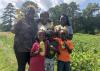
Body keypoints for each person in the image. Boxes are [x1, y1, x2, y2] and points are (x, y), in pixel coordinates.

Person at [11, 6, 38, 71]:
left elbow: (36, 34)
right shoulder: (20, 20)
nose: (31, 14)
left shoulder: (34, 23)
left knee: (32, 67)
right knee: (21, 67)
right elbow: (12, 30)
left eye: (32, 12)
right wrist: (17, 24)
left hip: (31, 49)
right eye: (29, 12)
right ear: (26, 12)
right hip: (20, 48)